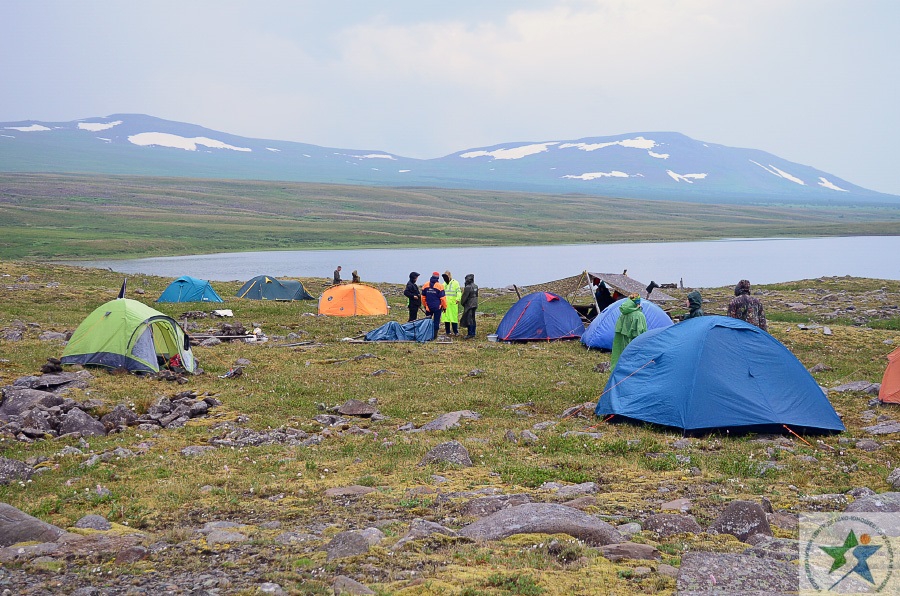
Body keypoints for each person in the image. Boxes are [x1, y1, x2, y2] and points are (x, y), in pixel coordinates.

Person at [610, 293, 647, 370]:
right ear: (637, 303)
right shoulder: (639, 315)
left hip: (623, 345)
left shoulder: (623, 314)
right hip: (635, 343)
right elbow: (642, 332)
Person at [421, 271, 447, 340]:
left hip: (428, 307)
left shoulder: (425, 285)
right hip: (437, 307)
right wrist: (444, 307)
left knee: (427, 321)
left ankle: (427, 334)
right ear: (438, 278)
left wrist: (425, 305)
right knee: (436, 321)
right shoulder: (440, 286)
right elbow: (443, 298)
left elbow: (423, 297)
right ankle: (434, 336)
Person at [442, 270, 462, 336]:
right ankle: (448, 331)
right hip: (446, 304)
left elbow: (458, 291)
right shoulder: (443, 284)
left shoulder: (455, 283)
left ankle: (455, 331)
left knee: (453, 318)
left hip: (453, 303)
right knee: (446, 318)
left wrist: (458, 299)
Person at [460, 273, 478, 339]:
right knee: (473, 318)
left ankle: (470, 333)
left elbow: (464, 297)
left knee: (469, 319)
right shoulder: (476, 286)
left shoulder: (468, 287)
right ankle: (473, 332)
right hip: (474, 304)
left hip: (469, 305)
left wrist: (463, 303)